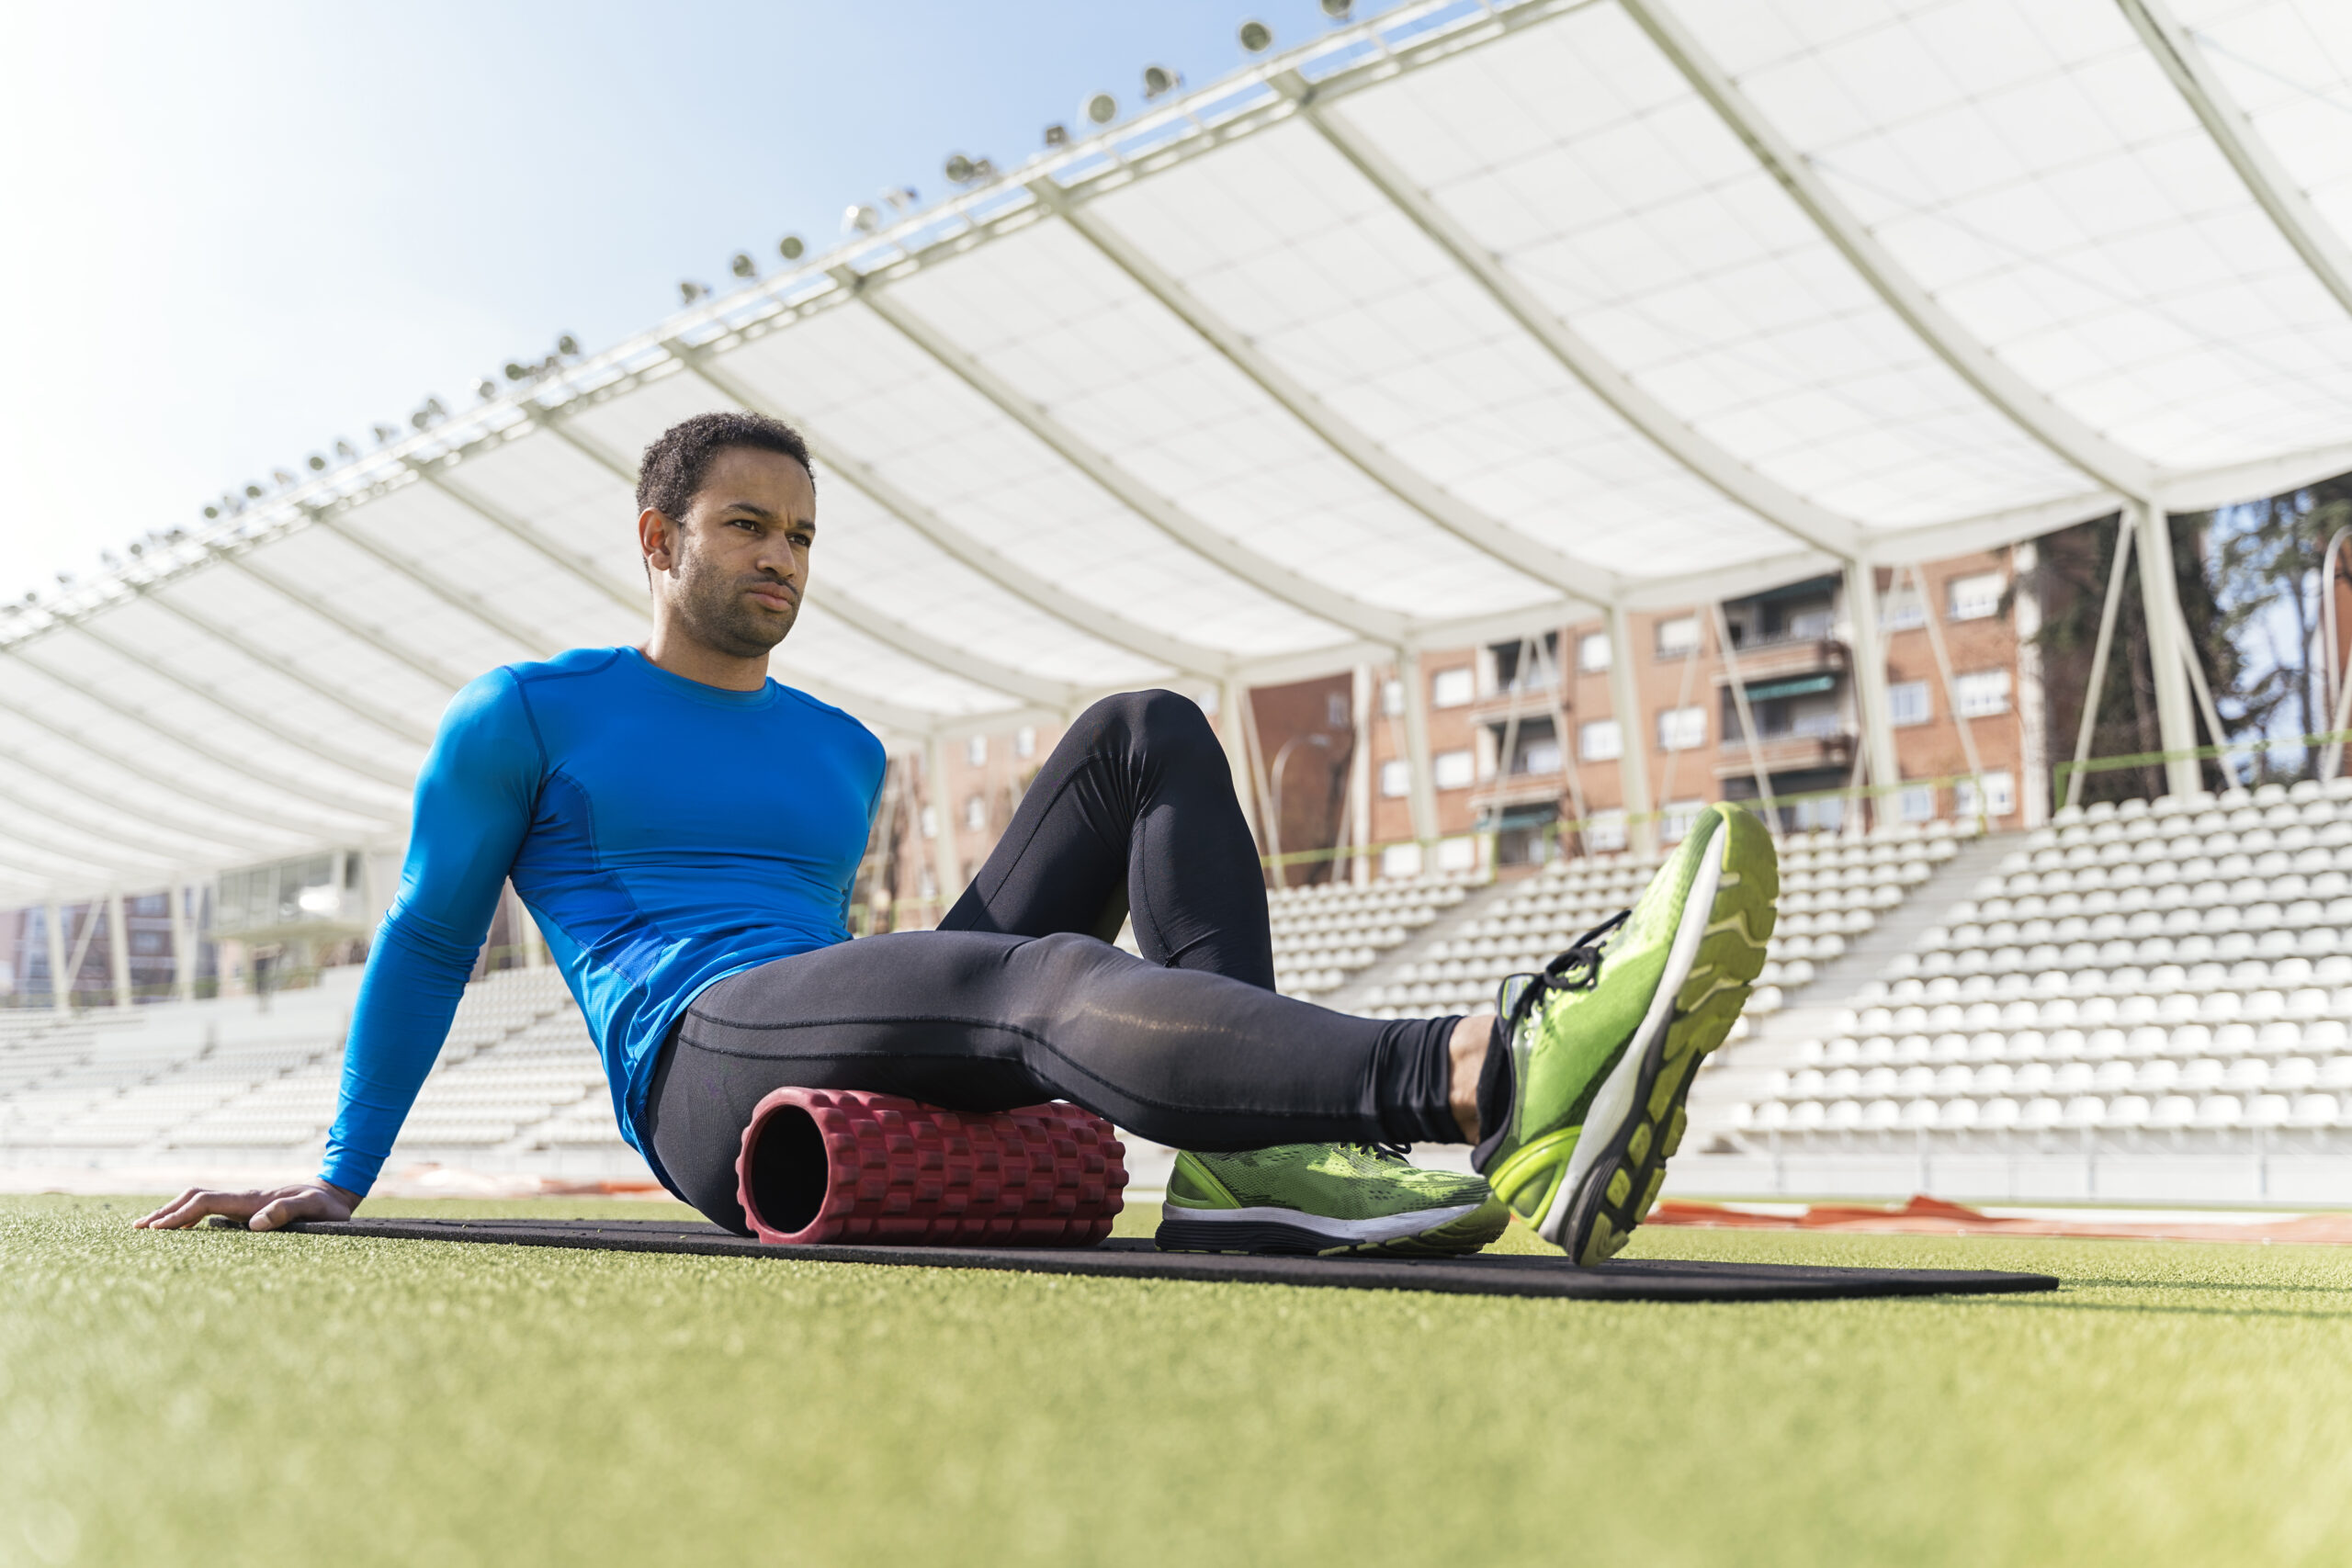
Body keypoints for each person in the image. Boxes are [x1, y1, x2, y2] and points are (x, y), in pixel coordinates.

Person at [138, 412, 1776, 1266]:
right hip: (704, 1061)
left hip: (835, 990)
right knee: (1030, 981)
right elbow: (429, 936)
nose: (782, 561)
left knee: (1146, 731)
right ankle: (1483, 1070)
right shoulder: (525, 711)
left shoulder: (840, 748)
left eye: (801, 538)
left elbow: (876, 953)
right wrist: (341, 1174)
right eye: (746, 529)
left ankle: (1244, 1171)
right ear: (657, 540)